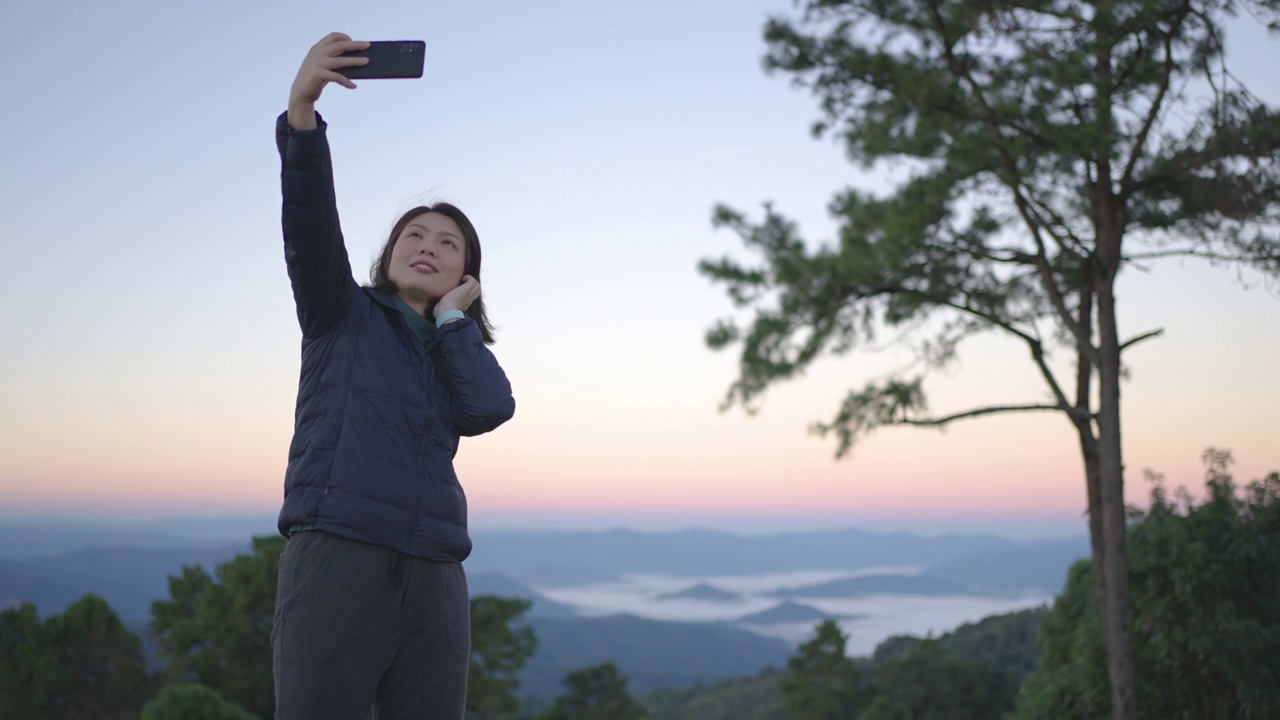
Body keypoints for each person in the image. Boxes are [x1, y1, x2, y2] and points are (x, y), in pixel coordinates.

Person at [270, 32, 516, 720]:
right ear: (388, 254)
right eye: (415, 234)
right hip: (337, 557)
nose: (429, 246)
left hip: (437, 572)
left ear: (466, 275)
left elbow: (490, 409)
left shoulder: (452, 346)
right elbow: (309, 221)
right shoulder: (339, 312)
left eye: (448, 243)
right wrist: (302, 113)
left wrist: (453, 323)